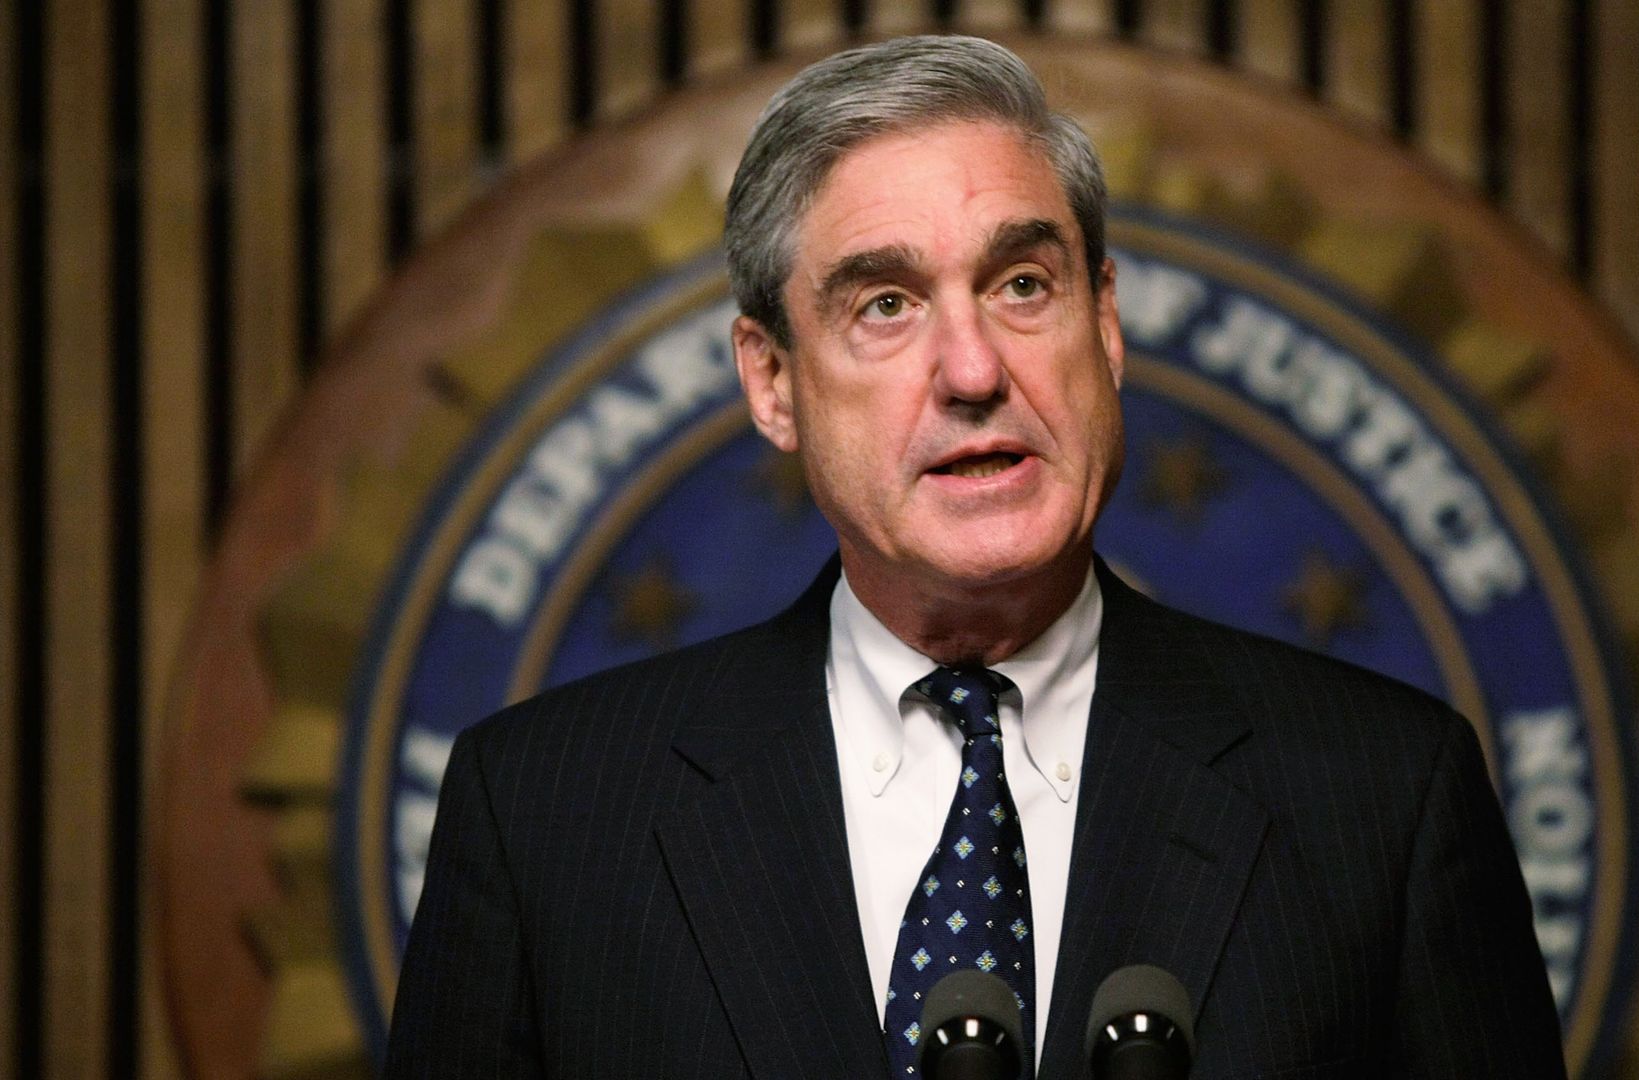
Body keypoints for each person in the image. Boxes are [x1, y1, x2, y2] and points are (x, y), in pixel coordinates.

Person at [383, 34, 1566, 1080]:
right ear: (772, 380)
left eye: (1020, 284)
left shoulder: (1383, 802)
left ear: (1103, 323)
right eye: (885, 305)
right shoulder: (545, 821)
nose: (972, 370)